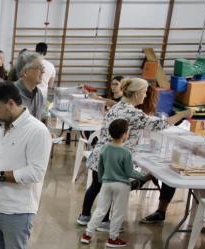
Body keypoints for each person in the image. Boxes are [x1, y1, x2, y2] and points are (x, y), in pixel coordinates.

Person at [77, 78, 192, 226]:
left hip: (100, 154)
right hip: (114, 159)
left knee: (95, 187)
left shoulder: (117, 106)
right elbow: (161, 124)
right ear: (137, 94)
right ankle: (104, 222)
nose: (145, 96)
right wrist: (183, 114)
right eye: (144, 92)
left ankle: (84, 216)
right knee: (110, 190)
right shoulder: (134, 113)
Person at [0, 81, 51, 249]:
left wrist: (0, 176)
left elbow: (36, 172)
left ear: (11, 103)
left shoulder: (37, 131)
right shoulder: (0, 125)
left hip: (17, 209)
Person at [81, 119, 149, 248]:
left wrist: (102, 180)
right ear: (124, 135)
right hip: (122, 185)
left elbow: (100, 168)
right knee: (118, 212)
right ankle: (113, 238)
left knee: (100, 210)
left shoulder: (105, 148)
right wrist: (144, 176)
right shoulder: (126, 152)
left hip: (106, 183)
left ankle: (87, 234)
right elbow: (129, 172)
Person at [14, 51, 46, 121]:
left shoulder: (39, 94)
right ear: (25, 72)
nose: (43, 71)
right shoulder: (11, 94)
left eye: (43, 68)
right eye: (39, 68)